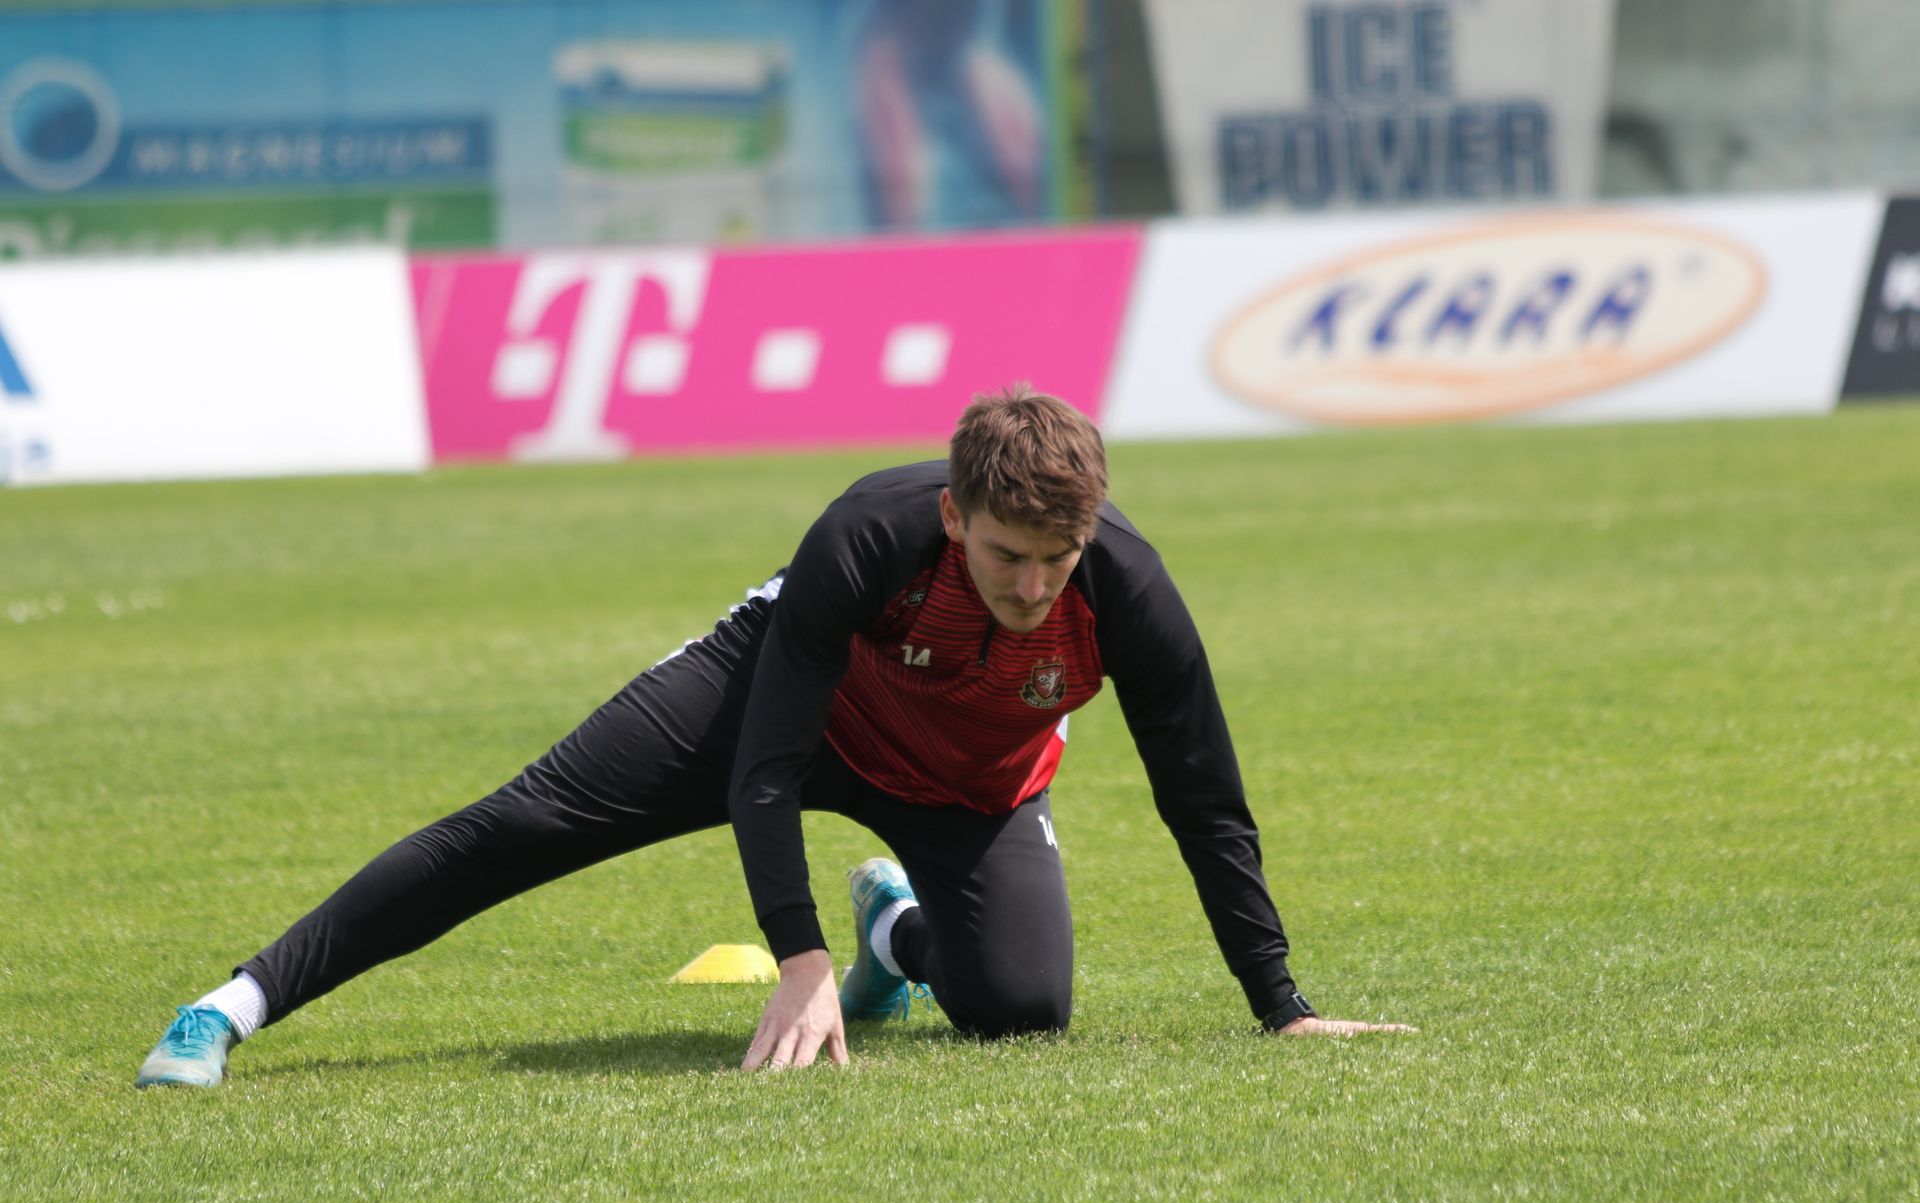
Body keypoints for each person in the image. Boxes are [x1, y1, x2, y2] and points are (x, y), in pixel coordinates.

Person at [136, 385, 1412, 1088]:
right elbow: (765, 764)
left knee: (1022, 1011)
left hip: (969, 779)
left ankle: (895, 934)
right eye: (1006, 555)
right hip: (778, 707)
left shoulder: (1125, 588)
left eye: (1057, 557)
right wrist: (794, 953)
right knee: (524, 823)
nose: (1035, 586)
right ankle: (228, 1007)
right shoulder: (869, 534)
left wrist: (1281, 1005)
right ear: (954, 515)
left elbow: (1204, 794)